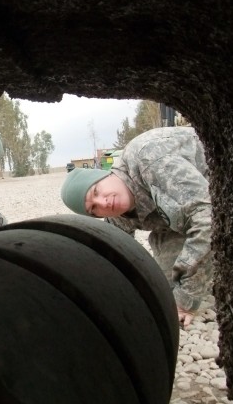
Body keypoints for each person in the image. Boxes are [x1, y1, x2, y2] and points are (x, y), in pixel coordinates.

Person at [60, 126, 212, 329]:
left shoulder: (149, 159)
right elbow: (112, 259)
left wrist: (186, 300)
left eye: (96, 191)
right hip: (185, 222)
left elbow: (208, 218)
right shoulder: (117, 211)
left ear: (104, 175)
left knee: (182, 294)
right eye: (94, 209)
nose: (103, 203)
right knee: (165, 291)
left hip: (231, 186)